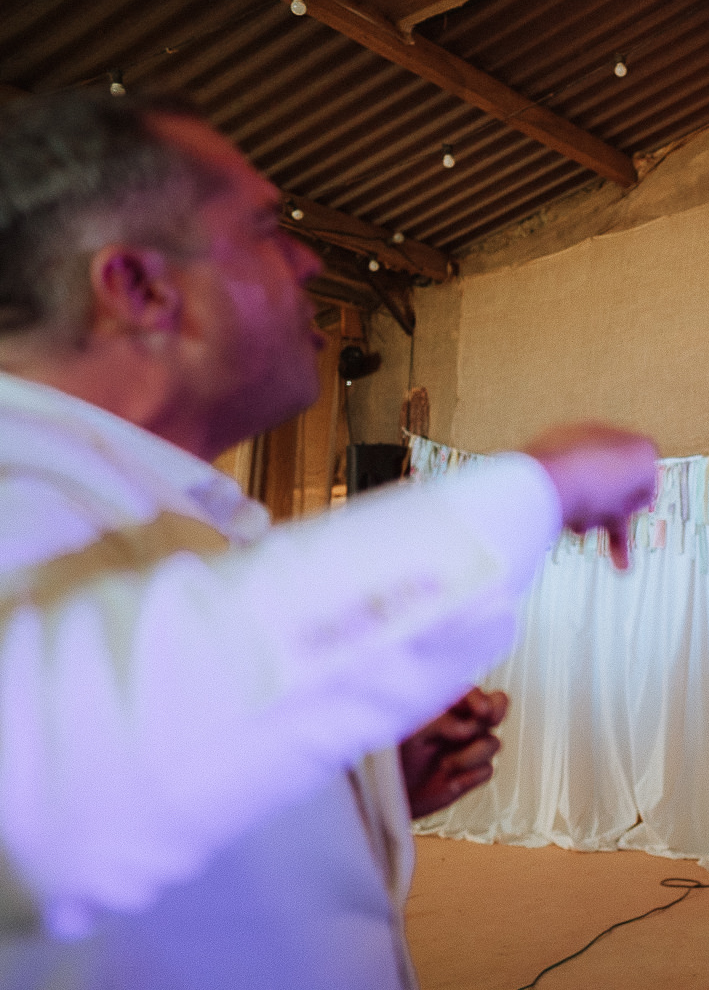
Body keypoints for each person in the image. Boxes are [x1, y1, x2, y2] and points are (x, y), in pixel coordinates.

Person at [0, 89, 658, 987]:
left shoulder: (179, 514)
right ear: (139, 287)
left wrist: (348, 787)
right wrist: (535, 488)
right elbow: (50, 785)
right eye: (266, 228)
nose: (309, 260)